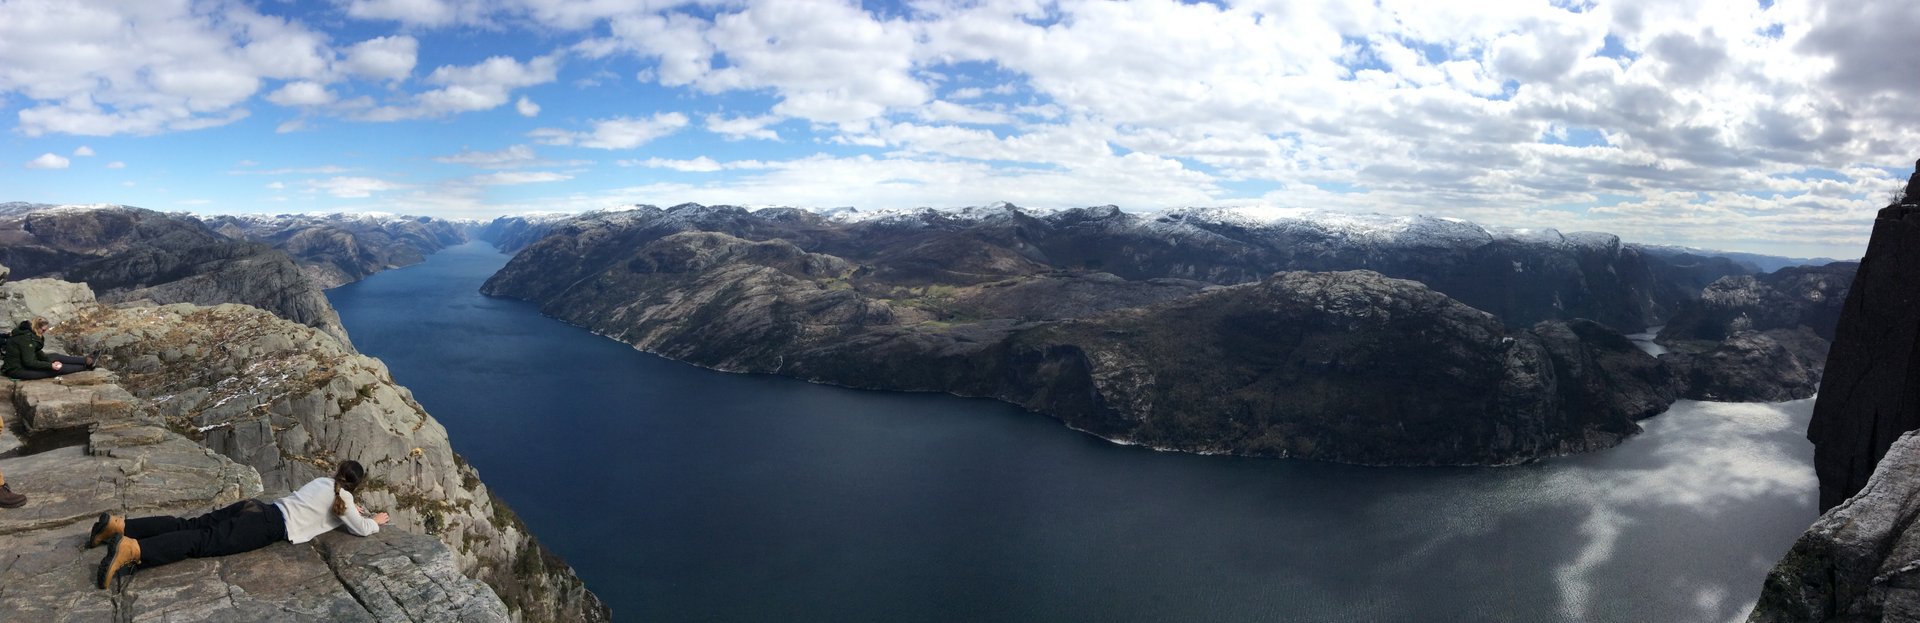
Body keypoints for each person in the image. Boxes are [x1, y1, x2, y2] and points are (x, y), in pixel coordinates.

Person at [91, 460, 390, 589]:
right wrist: (373, 521)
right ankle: (131, 550)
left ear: (338, 472)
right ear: (356, 484)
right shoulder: (345, 501)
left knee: (190, 525)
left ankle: (119, 525)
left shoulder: (324, 482)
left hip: (257, 508)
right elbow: (359, 528)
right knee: (200, 542)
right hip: (266, 527)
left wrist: (353, 507)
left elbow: (334, 504)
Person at [3, 317, 94, 380]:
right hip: (17, 370)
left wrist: (50, 361)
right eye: (43, 330)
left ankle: (86, 360)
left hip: (24, 365)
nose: (44, 333)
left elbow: (37, 352)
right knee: (55, 370)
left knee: (54, 356)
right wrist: (51, 366)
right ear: (36, 327)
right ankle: (84, 367)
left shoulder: (30, 334)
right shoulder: (26, 339)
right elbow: (29, 362)